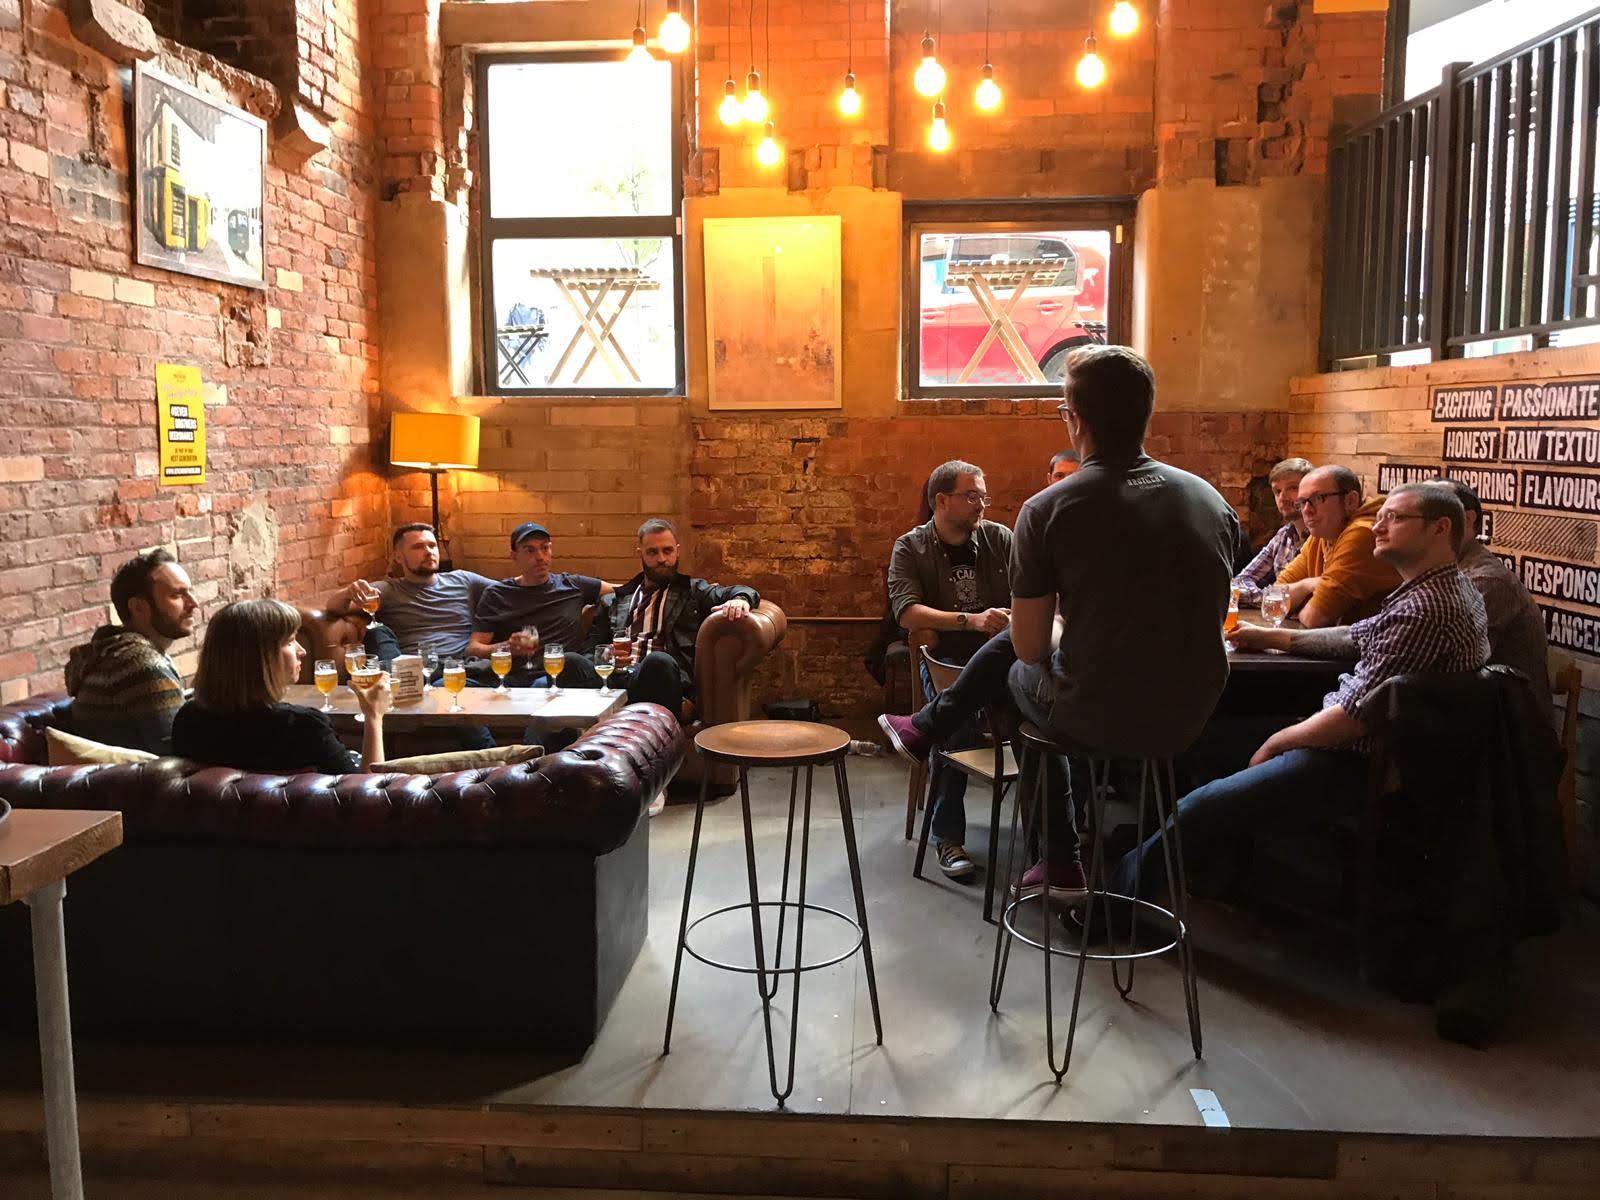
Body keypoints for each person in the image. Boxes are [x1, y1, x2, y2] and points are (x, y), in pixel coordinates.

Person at [1124, 483, 1491, 904]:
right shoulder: (1441, 588)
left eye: (1395, 518)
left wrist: (1278, 741)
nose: (1378, 527)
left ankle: (1119, 904)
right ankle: (1210, 867)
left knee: (1197, 805)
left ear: (1440, 528)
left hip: (1361, 762)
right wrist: (1275, 639)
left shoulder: (1427, 608)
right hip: (1368, 745)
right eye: (1381, 516)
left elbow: (1353, 719)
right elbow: (1357, 635)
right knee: (1194, 743)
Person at [1006, 344, 1242, 898]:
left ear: (1075, 419)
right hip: (1192, 716)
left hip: (1101, 717)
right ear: (1146, 415)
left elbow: (1028, 646)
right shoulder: (1209, 498)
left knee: (1009, 676)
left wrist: (1063, 628)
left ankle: (1059, 855)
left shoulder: (1047, 510)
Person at [879, 460, 1015, 881]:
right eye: (971, 495)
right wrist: (970, 620)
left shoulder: (1000, 539)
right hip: (946, 663)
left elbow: (1032, 592)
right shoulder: (911, 547)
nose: (981, 505)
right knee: (955, 722)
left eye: (984, 496)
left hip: (1004, 657)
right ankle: (947, 835)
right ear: (941, 500)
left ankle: (1053, 843)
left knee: (1044, 714)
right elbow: (907, 613)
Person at [172, 599, 393, 773]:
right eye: (290, 641)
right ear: (259, 658)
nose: (302, 651)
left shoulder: (188, 720)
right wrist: (373, 715)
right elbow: (370, 795)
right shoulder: (303, 727)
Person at [588, 518, 759, 717]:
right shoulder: (614, 600)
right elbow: (589, 650)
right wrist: (606, 656)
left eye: (667, 551)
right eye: (652, 552)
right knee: (571, 662)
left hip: (657, 678)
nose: (661, 558)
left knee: (658, 661)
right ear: (640, 554)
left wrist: (740, 600)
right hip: (613, 680)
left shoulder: (691, 591)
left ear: (677, 551)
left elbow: (741, 590)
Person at [64, 549, 199, 755]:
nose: (193, 603)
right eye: (177, 595)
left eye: (189, 592)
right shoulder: (141, 664)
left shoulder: (120, 654)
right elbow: (178, 753)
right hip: (130, 785)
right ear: (138, 607)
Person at [1438, 479, 1551, 708]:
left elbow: (1443, 666)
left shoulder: (1485, 581)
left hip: (1508, 731)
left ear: (1468, 520)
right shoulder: (1445, 570)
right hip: (1474, 715)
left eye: (1435, 515)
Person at [468, 521, 615, 686]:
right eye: (530, 550)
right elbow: (473, 648)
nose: (540, 557)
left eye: (545, 548)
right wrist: (507, 647)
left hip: (555, 677)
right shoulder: (496, 594)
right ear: (514, 556)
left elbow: (624, 590)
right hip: (507, 678)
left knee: (549, 679)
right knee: (441, 687)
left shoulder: (573, 585)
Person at [327, 524, 495, 660]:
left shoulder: (464, 580)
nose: (429, 552)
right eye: (418, 547)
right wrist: (348, 592)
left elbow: (508, 590)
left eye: (432, 546)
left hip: (463, 667)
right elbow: (333, 608)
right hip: (417, 671)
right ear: (399, 557)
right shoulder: (388, 589)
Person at [1273, 465, 1398, 628]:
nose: (1307, 511)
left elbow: (1314, 619)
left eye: (1318, 498)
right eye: (1302, 502)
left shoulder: (1363, 533)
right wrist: (1308, 585)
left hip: (1371, 650)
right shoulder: (1323, 531)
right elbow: (1274, 598)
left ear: (1350, 501)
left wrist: (1299, 601)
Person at [1234, 457, 1312, 606]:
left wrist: (1273, 599)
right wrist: (1269, 599)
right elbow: (1240, 581)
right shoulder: (1283, 535)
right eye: (1277, 491)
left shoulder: (1321, 537)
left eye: (1293, 488)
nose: (1282, 498)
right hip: (1279, 621)